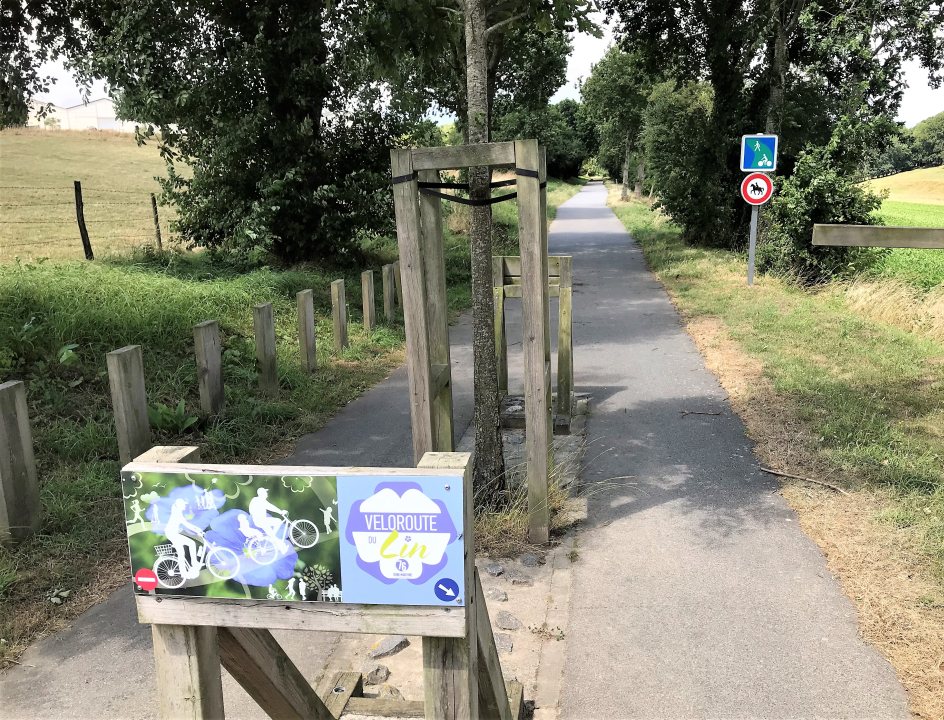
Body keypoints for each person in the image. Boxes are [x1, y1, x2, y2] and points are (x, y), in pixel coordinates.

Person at [164, 499, 204, 579]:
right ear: (179, 505)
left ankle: (192, 564)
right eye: (183, 504)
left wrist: (197, 529)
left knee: (189, 545)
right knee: (184, 549)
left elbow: (187, 523)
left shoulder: (178, 512)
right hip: (172, 534)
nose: (185, 506)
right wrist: (197, 530)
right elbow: (186, 524)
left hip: (173, 533)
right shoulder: (177, 514)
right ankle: (186, 570)